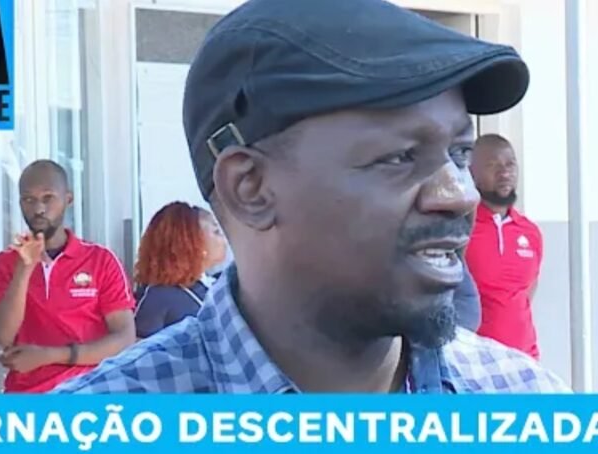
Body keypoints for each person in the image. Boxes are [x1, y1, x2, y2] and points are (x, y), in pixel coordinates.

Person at [55, 0, 568, 394]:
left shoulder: (524, 401)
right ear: (250, 188)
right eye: (400, 157)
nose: (459, 195)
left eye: (460, 153)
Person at [0, 160, 136, 393]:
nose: (38, 208)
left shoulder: (101, 260)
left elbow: (125, 338)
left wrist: (51, 356)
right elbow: (3, 336)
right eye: (28, 199)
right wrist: (24, 269)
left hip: (92, 391)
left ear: (68, 199)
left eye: (48, 198)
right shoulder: (4, 263)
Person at [465, 134, 543, 359]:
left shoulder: (530, 232)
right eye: (493, 165)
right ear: (472, 173)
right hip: (474, 363)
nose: (505, 173)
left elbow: (526, 293)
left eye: (510, 164)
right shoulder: (460, 229)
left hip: (525, 361)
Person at [133, 202, 227, 339]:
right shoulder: (159, 296)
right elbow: (139, 348)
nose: (225, 238)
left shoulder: (220, 284)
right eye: (216, 232)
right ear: (192, 242)